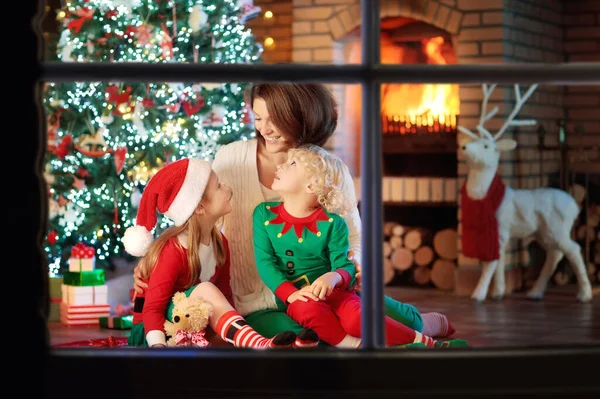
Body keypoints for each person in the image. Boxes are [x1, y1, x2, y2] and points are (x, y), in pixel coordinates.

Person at [133, 83, 454, 341]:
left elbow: (354, 239)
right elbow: (201, 216)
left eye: (275, 119)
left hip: (328, 291)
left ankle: (424, 326)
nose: (265, 129)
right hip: (258, 302)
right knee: (312, 336)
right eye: (258, 118)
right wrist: (157, 261)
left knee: (384, 317)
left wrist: (339, 276)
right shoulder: (231, 159)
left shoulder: (330, 170)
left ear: (301, 116)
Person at [252, 144, 467, 348]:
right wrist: (290, 294)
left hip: (338, 293)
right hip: (299, 299)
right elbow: (265, 262)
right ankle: (357, 346)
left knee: (357, 319)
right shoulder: (263, 214)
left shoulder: (333, 223)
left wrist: (334, 277)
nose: (280, 165)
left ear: (311, 184)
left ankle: (427, 341)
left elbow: (344, 265)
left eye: (292, 164)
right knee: (309, 315)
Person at [123, 157, 316, 348]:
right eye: (219, 186)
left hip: (194, 329)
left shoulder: (219, 243)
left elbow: (224, 297)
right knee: (205, 290)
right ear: (199, 207)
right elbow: (152, 309)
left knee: (227, 340)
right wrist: (158, 349)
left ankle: (275, 348)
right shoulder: (173, 250)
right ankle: (259, 345)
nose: (228, 189)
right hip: (155, 334)